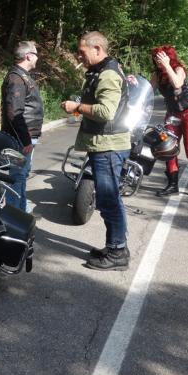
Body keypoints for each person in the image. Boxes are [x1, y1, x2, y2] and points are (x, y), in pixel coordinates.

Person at [61, 31, 131, 271]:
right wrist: (78, 107)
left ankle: (117, 252)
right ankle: (115, 247)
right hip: (104, 144)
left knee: (109, 200)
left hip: (109, 146)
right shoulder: (102, 70)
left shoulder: (108, 74)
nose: (78, 56)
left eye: (82, 52)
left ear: (97, 49)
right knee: (109, 199)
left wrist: (77, 106)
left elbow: (106, 112)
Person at [148, 45, 188, 200]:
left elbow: (177, 84)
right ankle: (173, 185)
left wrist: (167, 66)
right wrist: (134, 85)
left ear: (169, 57)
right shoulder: (156, 74)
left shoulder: (179, 69)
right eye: (156, 58)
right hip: (172, 114)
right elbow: (148, 91)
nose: (158, 61)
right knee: (167, 148)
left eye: (161, 58)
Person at [1, 40, 43, 212]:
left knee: (22, 175)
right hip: (21, 139)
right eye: (36, 54)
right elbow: (14, 113)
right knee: (17, 176)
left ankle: (21, 211)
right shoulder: (16, 78)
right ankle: (12, 216)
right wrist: (25, 140)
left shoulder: (22, 76)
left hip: (27, 136)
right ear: (28, 56)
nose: (37, 58)